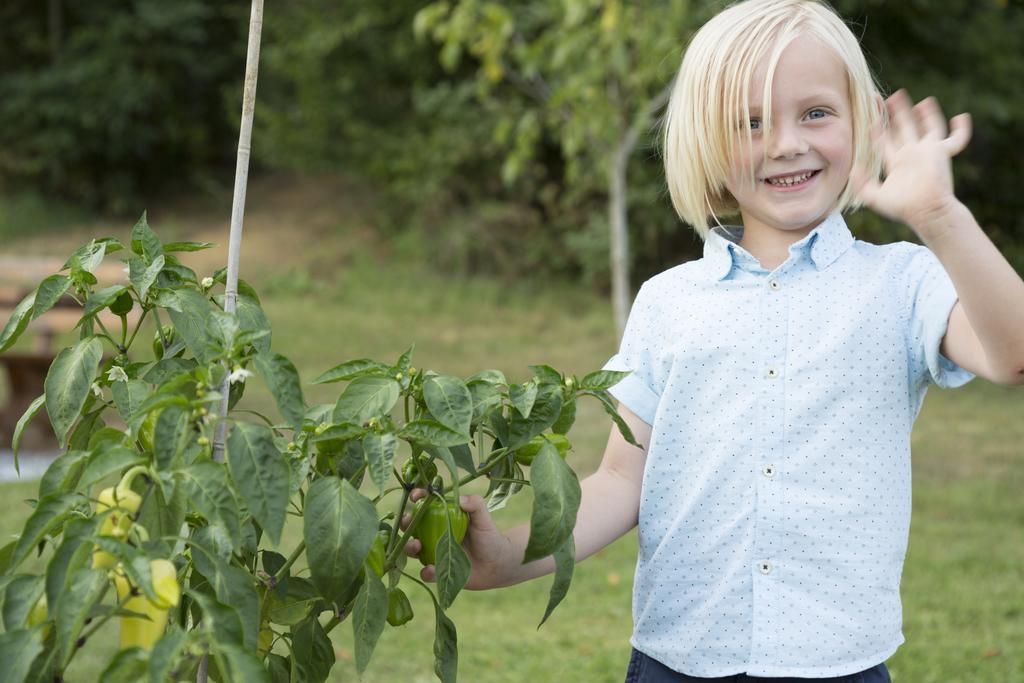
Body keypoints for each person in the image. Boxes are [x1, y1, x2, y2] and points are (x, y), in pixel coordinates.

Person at [403, 0, 1024, 680]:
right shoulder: (670, 302)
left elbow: (1012, 353)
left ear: (862, 122)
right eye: (750, 122)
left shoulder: (902, 283)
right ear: (703, 142)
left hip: (837, 661)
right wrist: (510, 553)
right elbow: (620, 480)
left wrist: (940, 215)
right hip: (679, 659)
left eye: (815, 113)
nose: (787, 142)